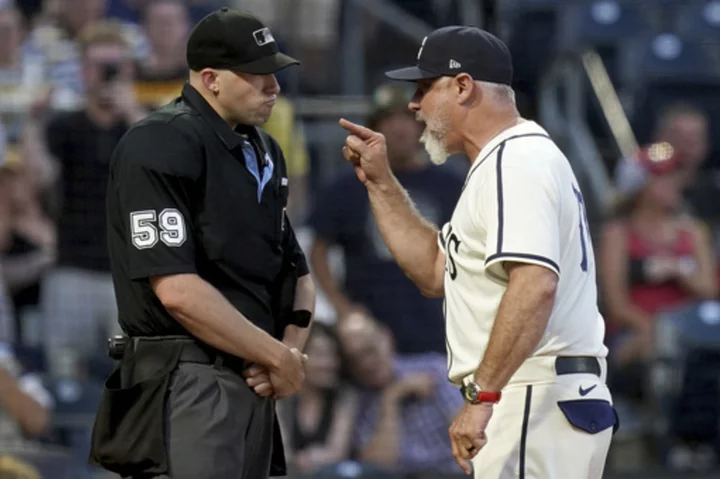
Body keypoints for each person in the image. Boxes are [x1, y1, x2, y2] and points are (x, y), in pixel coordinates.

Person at [339, 26, 616, 478]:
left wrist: (482, 396)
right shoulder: (504, 162)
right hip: (536, 393)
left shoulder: (516, 161)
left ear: (463, 87)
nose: (413, 104)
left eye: (425, 88)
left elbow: (536, 284)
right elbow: (433, 273)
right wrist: (382, 183)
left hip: (532, 391)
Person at [89, 9, 315, 479]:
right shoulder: (159, 143)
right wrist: (278, 358)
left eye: (275, 73)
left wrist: (288, 355)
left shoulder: (263, 149)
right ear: (210, 78)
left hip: (256, 378)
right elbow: (177, 291)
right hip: (189, 377)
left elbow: (298, 272)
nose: (273, 86)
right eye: (257, 75)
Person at [309, 83, 463, 354]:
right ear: (373, 127)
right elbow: (319, 250)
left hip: (440, 332)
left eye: (407, 118)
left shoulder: (452, 184)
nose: (399, 128)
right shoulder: (348, 185)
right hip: (371, 343)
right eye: (388, 119)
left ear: (422, 126)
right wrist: (343, 310)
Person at [338, 310, 463, 474]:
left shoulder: (434, 369)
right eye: (355, 360)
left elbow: (470, 436)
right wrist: (390, 399)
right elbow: (377, 469)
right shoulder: (360, 402)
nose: (366, 364)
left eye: (369, 350)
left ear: (386, 338)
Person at [277, 322, 356, 475]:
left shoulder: (343, 396)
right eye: (320, 355)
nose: (329, 363)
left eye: (333, 355)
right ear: (299, 358)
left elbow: (338, 452)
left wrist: (310, 458)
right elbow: (281, 452)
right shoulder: (281, 397)